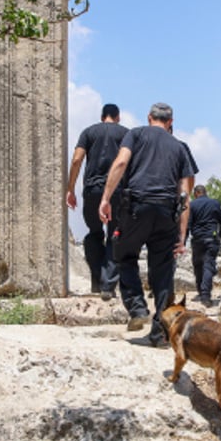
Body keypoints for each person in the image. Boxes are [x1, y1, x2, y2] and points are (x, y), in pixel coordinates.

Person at [100, 102, 194, 348]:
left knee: (124, 253)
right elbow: (185, 194)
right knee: (163, 274)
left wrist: (106, 198)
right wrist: (182, 236)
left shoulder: (136, 134)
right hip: (166, 213)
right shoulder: (180, 147)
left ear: (149, 117)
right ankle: (159, 334)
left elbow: (120, 163)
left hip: (136, 207)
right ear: (170, 122)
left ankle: (137, 306)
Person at [66, 104, 128, 299]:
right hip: (116, 191)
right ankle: (108, 286)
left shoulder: (88, 132)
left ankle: (96, 280)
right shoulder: (126, 134)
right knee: (115, 236)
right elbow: (128, 162)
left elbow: (76, 160)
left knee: (94, 234)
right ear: (117, 117)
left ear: (102, 117)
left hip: (92, 191)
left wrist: (71, 189)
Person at [187, 184, 221, 307]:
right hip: (211, 238)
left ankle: (201, 292)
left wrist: (183, 240)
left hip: (197, 240)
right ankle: (205, 296)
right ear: (205, 192)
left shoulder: (192, 205)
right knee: (208, 265)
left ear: (195, 194)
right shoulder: (215, 203)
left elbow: (188, 224)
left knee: (198, 265)